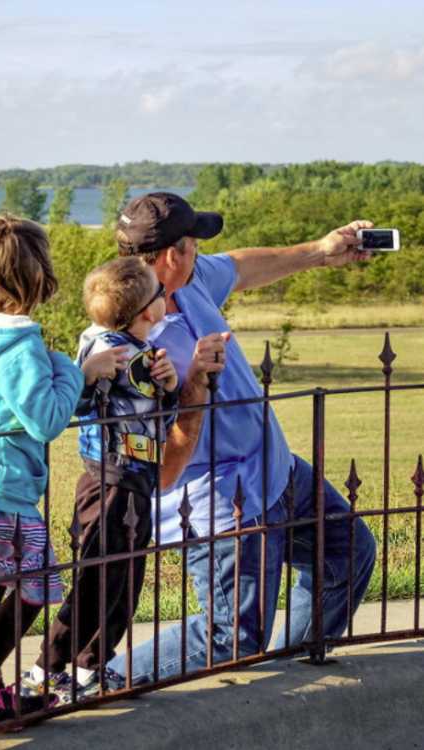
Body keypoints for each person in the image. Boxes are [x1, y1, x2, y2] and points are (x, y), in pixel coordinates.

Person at [106, 192, 377, 683]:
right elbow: (157, 472)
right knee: (230, 635)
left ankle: (289, 679)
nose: (200, 253)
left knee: (349, 551)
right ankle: (95, 682)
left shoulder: (192, 282)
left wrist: (322, 249)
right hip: (219, 506)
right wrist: (191, 389)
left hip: (275, 472)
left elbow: (241, 266)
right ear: (173, 254)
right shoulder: (122, 348)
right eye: (193, 243)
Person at [0, 215, 125, 727]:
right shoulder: (21, 348)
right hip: (6, 494)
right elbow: (45, 419)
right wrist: (74, 371)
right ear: (38, 281)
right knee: (34, 586)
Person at [22, 256, 183, 701]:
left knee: (120, 576)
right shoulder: (115, 353)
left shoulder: (113, 344)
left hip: (126, 477)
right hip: (116, 479)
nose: (166, 298)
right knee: (103, 577)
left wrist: (167, 385)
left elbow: (152, 412)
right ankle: (48, 669)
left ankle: (91, 667)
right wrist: (165, 385)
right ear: (148, 312)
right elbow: (90, 405)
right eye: (161, 293)